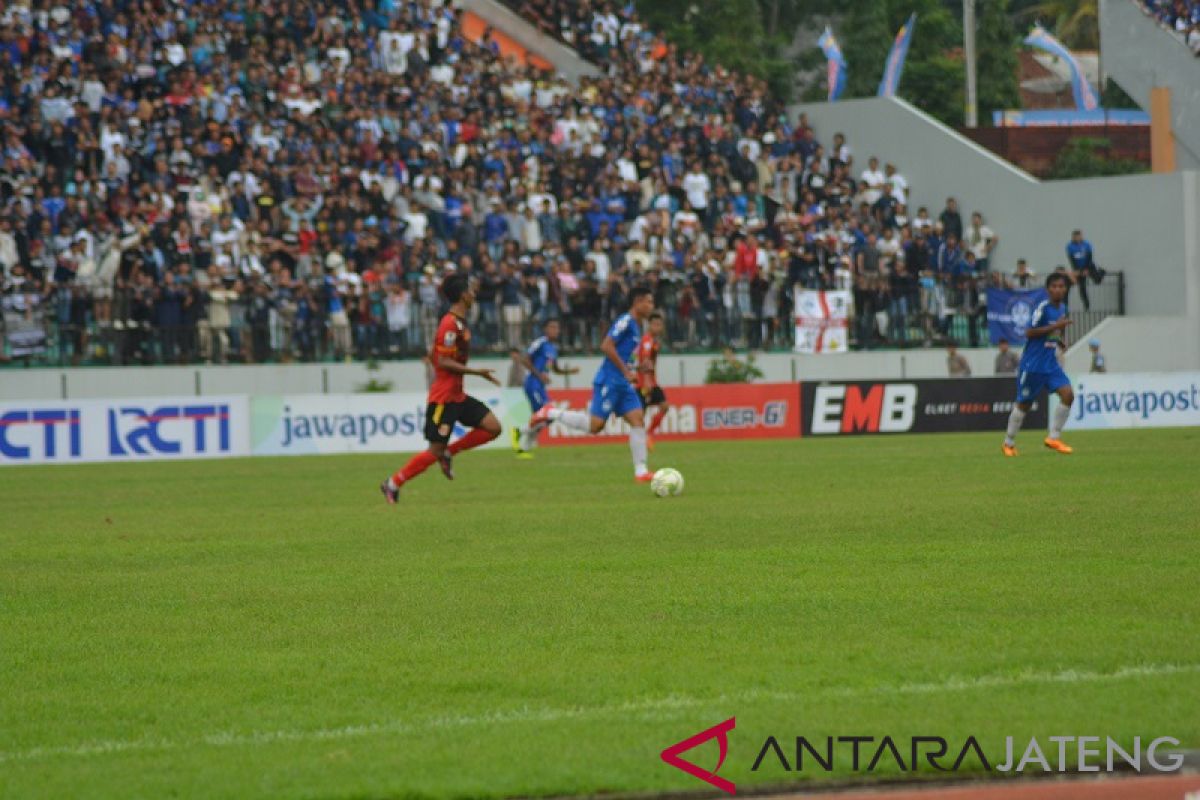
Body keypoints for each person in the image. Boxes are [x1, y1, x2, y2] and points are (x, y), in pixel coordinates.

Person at [380, 275, 502, 504]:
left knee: (493, 427)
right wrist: (477, 372)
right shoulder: (449, 324)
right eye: (471, 290)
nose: (474, 294)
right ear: (463, 295)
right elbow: (443, 362)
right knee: (434, 449)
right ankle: (393, 483)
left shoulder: (458, 322)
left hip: (457, 395)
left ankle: (450, 452)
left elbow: (436, 354)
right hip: (443, 399)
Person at [528, 287, 656, 482]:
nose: (651, 306)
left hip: (623, 381)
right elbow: (606, 345)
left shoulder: (638, 326)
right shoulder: (625, 321)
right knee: (595, 425)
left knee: (637, 419)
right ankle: (550, 412)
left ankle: (641, 471)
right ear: (637, 302)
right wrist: (626, 371)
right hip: (610, 380)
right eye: (649, 301)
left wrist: (638, 366)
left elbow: (623, 355)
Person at [1001, 273, 1075, 456]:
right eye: (1054, 286)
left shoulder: (1062, 308)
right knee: (1024, 404)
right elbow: (1029, 332)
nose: (1058, 289)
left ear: (1065, 289)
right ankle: (1008, 443)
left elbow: (1059, 328)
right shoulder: (1042, 308)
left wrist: (1060, 340)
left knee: (1068, 395)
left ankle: (1053, 438)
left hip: (1050, 364)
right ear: (1048, 289)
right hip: (1033, 365)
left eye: (1061, 286)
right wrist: (1054, 328)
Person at [511, 318, 579, 458]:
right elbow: (525, 359)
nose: (556, 330)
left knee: (542, 418)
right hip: (532, 384)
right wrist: (539, 375)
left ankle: (524, 449)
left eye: (557, 328)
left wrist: (569, 372)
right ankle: (518, 432)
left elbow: (555, 368)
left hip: (540, 386)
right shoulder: (540, 343)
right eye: (552, 327)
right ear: (546, 329)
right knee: (546, 414)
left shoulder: (553, 348)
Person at [636, 311, 671, 449]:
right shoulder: (647, 341)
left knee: (664, 406)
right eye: (655, 324)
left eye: (659, 325)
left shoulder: (654, 342)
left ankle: (648, 434)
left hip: (651, 381)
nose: (658, 327)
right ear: (649, 325)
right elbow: (645, 361)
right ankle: (642, 440)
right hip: (644, 383)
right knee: (640, 415)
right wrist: (646, 382)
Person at [1065, 230, 1106, 311]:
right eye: (1075, 237)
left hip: (1089, 266)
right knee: (1082, 288)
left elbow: (1089, 258)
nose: (1077, 238)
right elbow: (1072, 259)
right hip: (1078, 268)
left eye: (1079, 236)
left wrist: (1086, 269)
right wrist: (1078, 271)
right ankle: (1086, 305)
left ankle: (1102, 272)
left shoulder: (1087, 244)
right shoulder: (1069, 246)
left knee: (1097, 280)